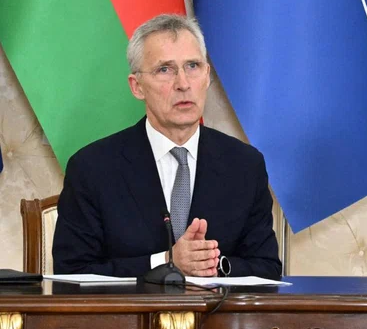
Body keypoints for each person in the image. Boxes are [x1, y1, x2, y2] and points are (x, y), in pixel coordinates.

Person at [53, 14, 281, 279]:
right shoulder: (92, 168)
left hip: (217, 318)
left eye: (193, 66)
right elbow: (71, 273)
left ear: (207, 76)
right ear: (137, 87)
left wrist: (212, 264)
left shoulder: (245, 165)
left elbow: (267, 269)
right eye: (165, 70)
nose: (183, 84)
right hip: (130, 319)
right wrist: (165, 262)